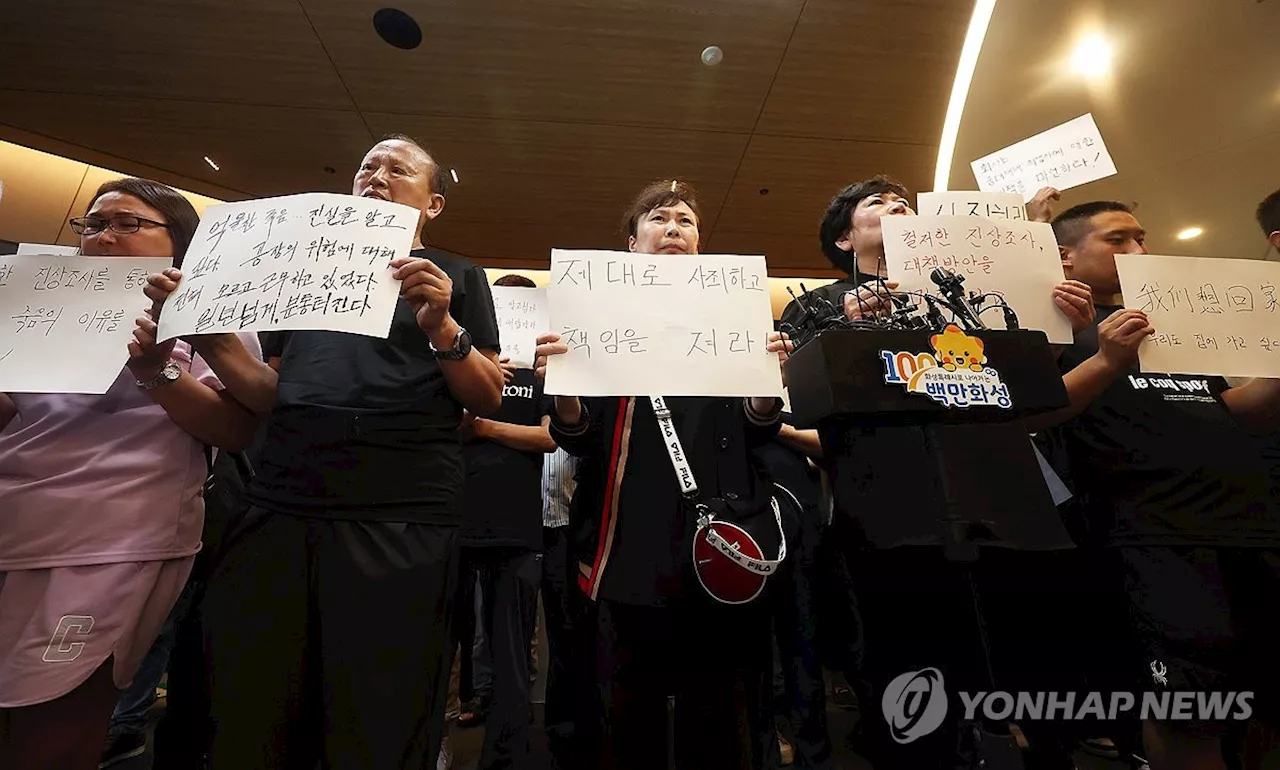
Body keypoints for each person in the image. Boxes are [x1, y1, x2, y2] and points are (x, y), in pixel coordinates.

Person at [141, 134, 505, 768]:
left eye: (399, 170)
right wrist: (206, 330)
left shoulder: (457, 274)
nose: (378, 176)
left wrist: (442, 324)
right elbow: (264, 394)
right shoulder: (295, 273)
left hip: (402, 507)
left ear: (434, 203)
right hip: (285, 496)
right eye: (368, 167)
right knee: (260, 689)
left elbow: (488, 395)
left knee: (381, 695)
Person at [779, 176, 1095, 769]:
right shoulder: (818, 304)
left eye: (904, 203)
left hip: (997, 491)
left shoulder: (971, 291)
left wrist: (1055, 314)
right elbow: (795, 392)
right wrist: (846, 326)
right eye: (876, 204)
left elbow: (1024, 382)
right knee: (909, 664)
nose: (897, 208)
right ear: (845, 239)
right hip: (889, 500)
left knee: (1020, 657)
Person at [0, 178, 261, 769]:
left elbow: (233, 430)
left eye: (127, 223)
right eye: (93, 225)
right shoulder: (40, 305)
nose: (105, 236)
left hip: (113, 539)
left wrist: (155, 370)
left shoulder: (206, 316)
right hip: (16, 520)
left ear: (179, 243)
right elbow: (14, 416)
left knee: (54, 725)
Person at [534, 179, 792, 770]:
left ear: (700, 243)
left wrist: (766, 380)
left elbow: (758, 429)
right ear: (631, 243)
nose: (674, 227)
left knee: (718, 699)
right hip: (627, 530)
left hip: (722, 527)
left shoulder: (735, 311)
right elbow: (575, 436)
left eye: (686, 220)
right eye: (658, 218)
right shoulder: (593, 313)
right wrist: (566, 390)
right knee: (628, 701)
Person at [1038, 200, 1280, 770]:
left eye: (1142, 238)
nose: (1139, 251)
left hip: (1250, 527)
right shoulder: (1050, 328)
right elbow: (1030, 415)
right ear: (1064, 256)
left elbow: (1237, 412)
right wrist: (1106, 358)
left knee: (1264, 699)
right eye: (1118, 240)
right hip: (1153, 535)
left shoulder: (1175, 321)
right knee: (1189, 713)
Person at [453, 272, 557, 768]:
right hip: (449, 515)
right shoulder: (461, 363)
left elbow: (550, 437)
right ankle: (447, 724)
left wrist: (487, 427)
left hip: (516, 521)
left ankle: (509, 751)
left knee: (513, 646)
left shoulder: (539, 376)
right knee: (442, 638)